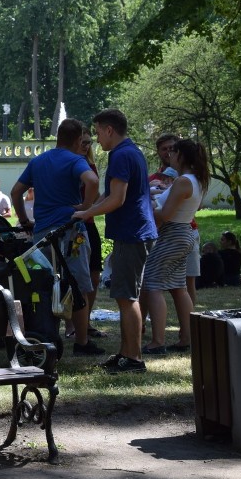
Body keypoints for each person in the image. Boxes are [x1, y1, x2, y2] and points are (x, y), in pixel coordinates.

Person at [73, 108, 157, 374]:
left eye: (98, 132)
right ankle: (126, 353)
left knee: (126, 296)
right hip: (135, 231)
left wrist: (86, 213)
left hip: (131, 232)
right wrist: (84, 206)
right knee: (126, 294)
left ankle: (133, 359)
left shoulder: (121, 155)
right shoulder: (131, 152)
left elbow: (117, 199)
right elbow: (110, 195)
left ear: (109, 130)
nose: (97, 139)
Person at [11, 118, 103, 356]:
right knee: (79, 285)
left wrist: (24, 221)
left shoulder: (39, 161)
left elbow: (16, 191)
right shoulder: (76, 160)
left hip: (42, 234)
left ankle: (47, 333)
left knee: (44, 286)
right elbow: (92, 181)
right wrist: (85, 206)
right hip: (70, 232)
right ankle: (81, 342)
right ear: (76, 139)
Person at [139, 138, 209, 355]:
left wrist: (145, 207)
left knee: (152, 285)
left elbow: (166, 214)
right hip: (183, 232)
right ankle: (187, 337)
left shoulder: (183, 181)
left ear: (182, 156)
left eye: (173, 152)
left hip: (171, 234)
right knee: (179, 286)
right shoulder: (195, 180)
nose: (169, 156)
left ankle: (157, 341)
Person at [66, 127, 107, 339]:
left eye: (89, 142)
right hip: (71, 225)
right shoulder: (67, 164)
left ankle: (86, 321)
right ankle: (71, 325)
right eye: (82, 142)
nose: (86, 146)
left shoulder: (90, 165)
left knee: (93, 276)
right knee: (72, 277)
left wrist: (89, 208)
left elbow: (98, 192)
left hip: (88, 225)